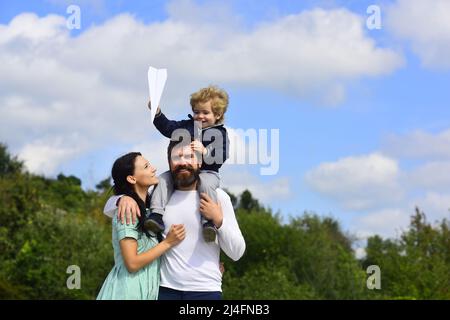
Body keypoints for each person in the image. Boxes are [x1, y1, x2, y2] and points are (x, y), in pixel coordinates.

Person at [104, 140, 245, 300]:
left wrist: (219, 220)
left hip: (206, 290)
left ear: (199, 162)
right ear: (169, 163)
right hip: (162, 290)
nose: (183, 162)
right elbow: (121, 203)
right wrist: (121, 199)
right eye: (177, 157)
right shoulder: (158, 198)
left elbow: (237, 253)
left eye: (189, 156)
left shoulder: (218, 198)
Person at [146, 85, 230, 242]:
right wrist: (157, 114)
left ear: (217, 115)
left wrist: (205, 152)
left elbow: (222, 156)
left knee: (205, 183)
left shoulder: (220, 134)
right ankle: (156, 214)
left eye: (205, 113)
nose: (200, 116)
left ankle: (208, 223)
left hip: (208, 172)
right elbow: (168, 127)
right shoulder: (187, 126)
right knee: (163, 179)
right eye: (196, 112)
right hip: (183, 170)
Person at [97, 152, 185, 300]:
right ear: (132, 178)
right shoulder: (128, 211)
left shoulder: (151, 211)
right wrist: (168, 242)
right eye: (146, 166)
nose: (153, 169)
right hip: (125, 292)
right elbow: (132, 263)